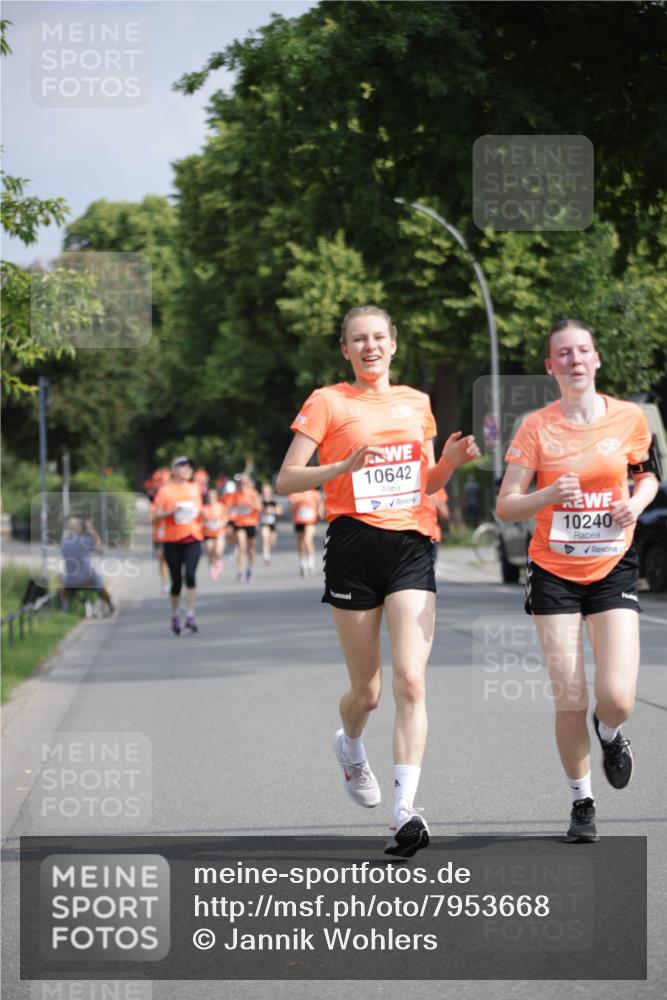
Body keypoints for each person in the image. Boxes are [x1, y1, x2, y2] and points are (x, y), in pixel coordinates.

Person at [277, 304, 479, 857]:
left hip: (412, 544)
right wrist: (341, 468)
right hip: (353, 546)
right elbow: (286, 479)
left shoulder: (417, 402)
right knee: (367, 693)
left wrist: (449, 462)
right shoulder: (327, 401)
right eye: (358, 339)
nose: (370, 346)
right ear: (345, 349)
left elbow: (426, 482)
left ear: (393, 344)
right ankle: (349, 745)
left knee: (410, 681)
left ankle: (403, 812)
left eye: (378, 337)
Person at [496, 318, 659, 843]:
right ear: (551, 366)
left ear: (597, 359)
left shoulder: (630, 418)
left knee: (618, 697)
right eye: (563, 353)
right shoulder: (535, 427)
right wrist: (546, 496)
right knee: (570, 697)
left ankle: (610, 732)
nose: (575, 360)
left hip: (612, 566)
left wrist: (634, 504)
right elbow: (505, 505)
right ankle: (582, 801)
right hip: (554, 573)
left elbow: (648, 475)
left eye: (583, 350)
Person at [152, 456, 204, 635]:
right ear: (173, 470)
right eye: (182, 466)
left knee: (190, 576)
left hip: (193, 538)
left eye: (189, 466)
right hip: (172, 540)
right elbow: (153, 517)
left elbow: (200, 511)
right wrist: (171, 512)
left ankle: (190, 615)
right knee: (176, 582)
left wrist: (202, 515)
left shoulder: (195, 488)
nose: (186, 469)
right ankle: (175, 614)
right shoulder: (165, 491)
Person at [58, 517, 116, 615]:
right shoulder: (84, 540)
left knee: (61, 578)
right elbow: (100, 550)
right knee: (100, 584)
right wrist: (91, 530)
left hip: (70, 581)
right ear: (80, 528)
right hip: (87, 579)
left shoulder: (63, 542)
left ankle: (65, 607)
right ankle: (111, 605)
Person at [229, 474, 262, 582]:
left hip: (251, 523)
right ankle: (240, 572)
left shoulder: (253, 493)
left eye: (244, 482)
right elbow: (230, 508)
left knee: (251, 550)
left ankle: (250, 569)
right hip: (239, 524)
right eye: (240, 483)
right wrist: (232, 513)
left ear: (248, 483)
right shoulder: (235, 494)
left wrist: (252, 505)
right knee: (241, 547)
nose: (242, 484)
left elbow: (260, 507)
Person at [288, 488, 323, 576]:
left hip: (310, 521)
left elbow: (320, 504)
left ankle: (311, 565)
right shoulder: (295, 494)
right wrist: (295, 506)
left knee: (307, 540)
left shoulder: (314, 493)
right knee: (301, 543)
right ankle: (303, 564)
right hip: (298, 521)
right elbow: (290, 508)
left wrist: (320, 512)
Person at [201, 487, 228, 580]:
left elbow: (226, 517)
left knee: (218, 551)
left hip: (219, 532)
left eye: (212, 496)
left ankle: (218, 561)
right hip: (208, 532)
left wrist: (221, 523)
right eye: (209, 496)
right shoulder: (204, 508)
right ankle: (211, 569)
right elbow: (201, 520)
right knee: (209, 551)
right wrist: (206, 524)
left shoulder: (221, 506)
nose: (211, 498)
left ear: (216, 497)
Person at [259, 482, 283, 565]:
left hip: (273, 524)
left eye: (267, 492)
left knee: (271, 542)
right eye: (264, 492)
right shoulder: (260, 501)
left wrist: (272, 510)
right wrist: (264, 510)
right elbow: (257, 509)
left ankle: (269, 553)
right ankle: (266, 557)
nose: (266, 493)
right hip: (264, 524)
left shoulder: (274, 502)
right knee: (265, 539)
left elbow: (280, 511)